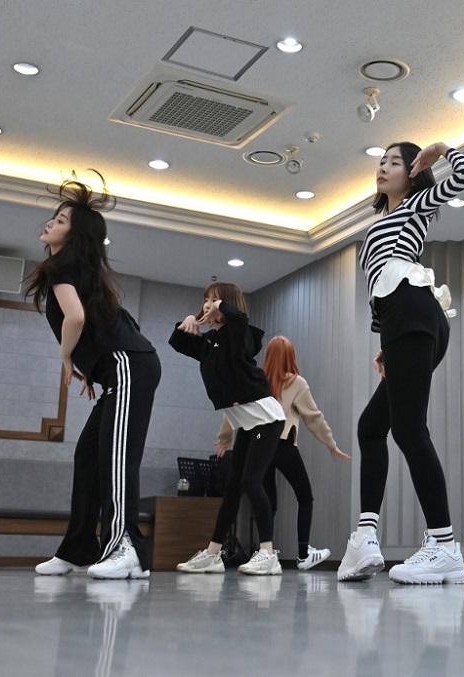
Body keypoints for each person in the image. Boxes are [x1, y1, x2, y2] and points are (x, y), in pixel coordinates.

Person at [337, 141, 464, 584]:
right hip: (404, 321)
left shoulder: (417, 204)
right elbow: (380, 281)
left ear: (412, 172)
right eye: (380, 162)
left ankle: (444, 544)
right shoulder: (382, 220)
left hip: (415, 314)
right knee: (371, 426)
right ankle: (365, 538)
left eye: (393, 162)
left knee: (407, 427)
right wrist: (386, 339)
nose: (383, 168)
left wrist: (441, 150)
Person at [25, 173, 161, 580]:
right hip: (120, 368)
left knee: (118, 458)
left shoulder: (60, 267)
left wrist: (67, 359)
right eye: (56, 217)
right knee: (88, 455)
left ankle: (126, 548)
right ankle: (79, 548)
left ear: (77, 235)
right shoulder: (78, 270)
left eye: (63, 220)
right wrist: (89, 367)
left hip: (128, 366)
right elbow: (101, 322)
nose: (51, 223)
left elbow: (77, 318)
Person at [170, 283, 286, 576]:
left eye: (215, 300)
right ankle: (212, 554)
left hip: (266, 422)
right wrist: (188, 320)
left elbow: (240, 321)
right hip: (248, 424)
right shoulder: (211, 344)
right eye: (206, 299)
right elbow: (180, 342)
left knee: (250, 480)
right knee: (232, 486)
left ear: (227, 304)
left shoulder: (239, 335)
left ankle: (268, 554)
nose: (208, 304)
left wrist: (221, 307)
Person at [214, 335, 351, 571]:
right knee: (304, 496)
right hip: (282, 443)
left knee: (268, 499)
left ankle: (264, 552)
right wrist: (331, 444)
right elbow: (314, 417)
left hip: (258, 443)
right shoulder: (297, 383)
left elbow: (233, 410)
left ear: (267, 356)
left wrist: (224, 439)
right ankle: (302, 554)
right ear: (290, 356)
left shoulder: (256, 379)